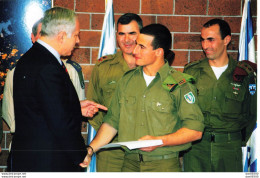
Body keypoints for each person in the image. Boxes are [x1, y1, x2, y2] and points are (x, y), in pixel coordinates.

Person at [81, 24, 204, 172]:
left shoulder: (180, 84)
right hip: (129, 164)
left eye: (141, 47)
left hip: (162, 166)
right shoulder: (127, 80)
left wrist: (160, 142)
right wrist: (90, 150)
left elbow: (195, 131)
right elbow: (111, 122)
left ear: (158, 52)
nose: (134, 50)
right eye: (136, 45)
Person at [7, 7, 107, 172]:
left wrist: (75, 106)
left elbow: (42, 107)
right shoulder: (48, 66)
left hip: (33, 159)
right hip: (48, 163)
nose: (77, 41)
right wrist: (80, 154)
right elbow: (59, 121)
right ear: (61, 36)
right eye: (76, 35)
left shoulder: (29, 59)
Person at [183, 18, 257, 172]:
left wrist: (233, 139)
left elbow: (251, 114)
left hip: (229, 149)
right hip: (197, 148)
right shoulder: (191, 72)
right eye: (202, 40)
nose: (205, 46)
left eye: (211, 40)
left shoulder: (245, 74)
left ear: (226, 40)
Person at [86, 13, 143, 172]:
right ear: (116, 36)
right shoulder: (104, 67)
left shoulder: (150, 67)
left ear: (141, 35)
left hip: (143, 150)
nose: (127, 40)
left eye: (132, 33)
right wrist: (109, 135)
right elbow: (93, 104)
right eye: (121, 34)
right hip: (110, 149)